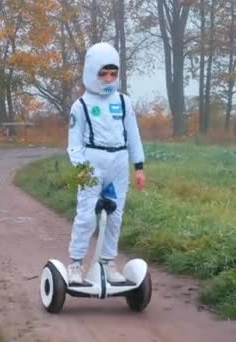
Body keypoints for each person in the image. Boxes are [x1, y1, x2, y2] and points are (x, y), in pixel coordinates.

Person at [66, 42, 146, 284]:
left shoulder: (123, 102)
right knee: (87, 214)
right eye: (103, 73)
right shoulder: (81, 106)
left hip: (118, 163)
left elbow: (133, 134)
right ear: (92, 72)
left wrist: (139, 166)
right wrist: (80, 167)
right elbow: (74, 141)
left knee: (115, 215)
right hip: (92, 164)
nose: (109, 78)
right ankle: (76, 264)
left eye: (113, 73)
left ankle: (107, 262)